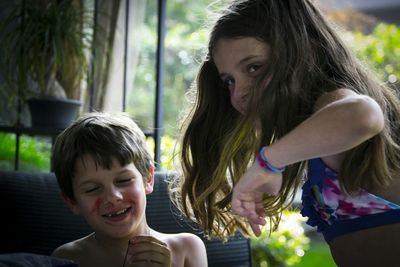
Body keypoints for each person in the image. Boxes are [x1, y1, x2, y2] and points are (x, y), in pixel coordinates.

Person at [172, 0, 400, 266]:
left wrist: (267, 162)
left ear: (303, 52)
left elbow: (363, 116)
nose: (239, 92)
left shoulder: (331, 101)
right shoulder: (318, 131)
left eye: (254, 68)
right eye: (229, 81)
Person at [51, 112, 207, 267]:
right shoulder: (67, 258)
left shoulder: (187, 249)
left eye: (123, 180)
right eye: (92, 189)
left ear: (148, 178)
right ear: (72, 201)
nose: (113, 196)